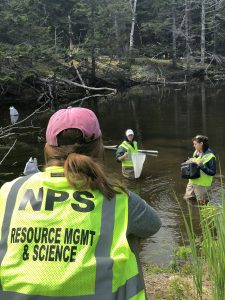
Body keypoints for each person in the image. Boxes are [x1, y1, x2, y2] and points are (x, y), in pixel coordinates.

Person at [0, 107, 161, 299]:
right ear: (99, 148)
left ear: (47, 150)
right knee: (126, 231)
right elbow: (152, 225)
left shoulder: (10, 191)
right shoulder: (117, 198)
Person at [183, 135, 216, 205]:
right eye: (193, 144)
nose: (193, 146)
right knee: (188, 199)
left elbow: (213, 172)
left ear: (201, 144)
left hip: (202, 185)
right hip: (192, 181)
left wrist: (201, 165)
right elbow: (195, 159)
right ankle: (194, 214)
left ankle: (202, 214)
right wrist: (189, 161)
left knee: (202, 204)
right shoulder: (196, 152)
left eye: (195, 144)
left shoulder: (211, 156)